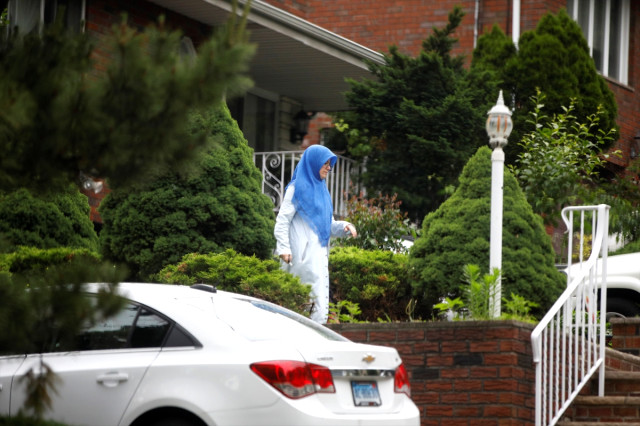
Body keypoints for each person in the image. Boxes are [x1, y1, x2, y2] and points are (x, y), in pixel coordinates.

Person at [274, 145, 357, 324]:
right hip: (299, 259)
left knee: (317, 309)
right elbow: (282, 220)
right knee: (298, 308)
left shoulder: (323, 191)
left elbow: (328, 224)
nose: (329, 167)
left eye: (330, 164)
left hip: (318, 258)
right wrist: (283, 248)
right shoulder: (296, 188)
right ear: (313, 163)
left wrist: (345, 226)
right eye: (325, 163)